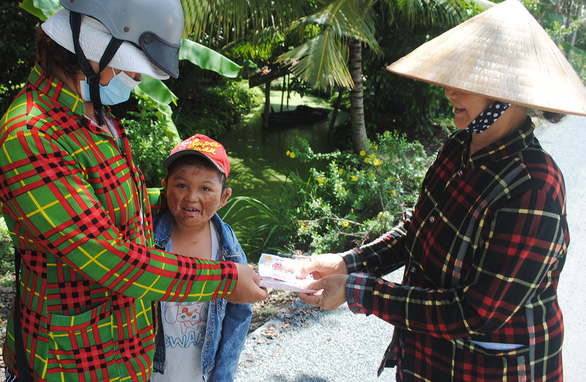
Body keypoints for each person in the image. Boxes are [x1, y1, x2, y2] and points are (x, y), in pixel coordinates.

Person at [297, 0, 586, 381]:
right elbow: (417, 230)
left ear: (507, 96)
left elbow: (475, 312)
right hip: (425, 357)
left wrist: (359, 291)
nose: (450, 91)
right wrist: (348, 263)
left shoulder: (534, 186)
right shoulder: (457, 147)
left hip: (489, 370)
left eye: (467, 82)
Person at [0, 1, 266, 381]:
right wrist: (224, 279)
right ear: (92, 49)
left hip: (129, 350)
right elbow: (112, 259)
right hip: (75, 360)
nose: (137, 80)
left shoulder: (96, 116)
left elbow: (117, 205)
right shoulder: (33, 135)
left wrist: (183, 198)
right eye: (131, 64)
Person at [150, 134, 251, 381]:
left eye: (205, 188)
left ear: (224, 197)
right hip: (150, 370)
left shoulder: (228, 248)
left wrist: (223, 375)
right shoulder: (147, 238)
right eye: (181, 185)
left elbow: (239, 313)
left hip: (201, 373)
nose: (192, 197)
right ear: (165, 186)